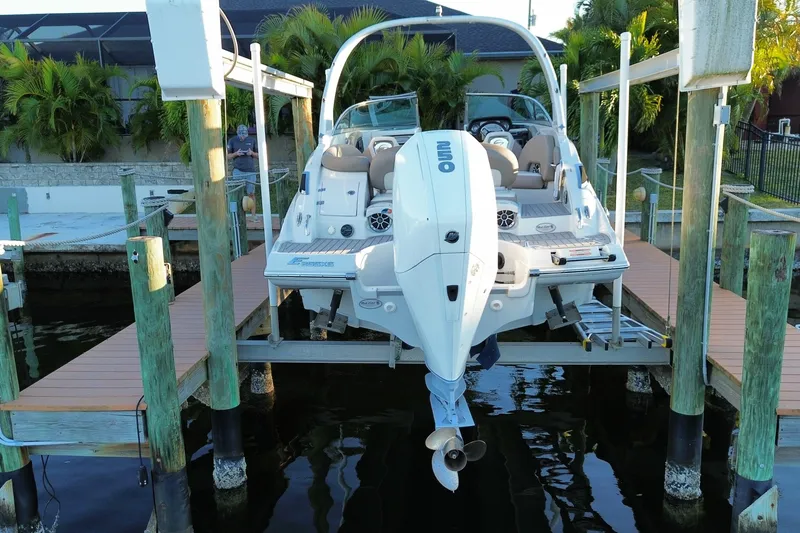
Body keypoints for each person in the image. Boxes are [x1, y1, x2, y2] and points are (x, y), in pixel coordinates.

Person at [226, 124, 258, 215]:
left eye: (244, 135)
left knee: (251, 193)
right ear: (237, 133)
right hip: (238, 170)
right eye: (241, 135)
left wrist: (251, 153)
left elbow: (259, 155)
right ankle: (237, 215)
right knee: (236, 193)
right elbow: (227, 156)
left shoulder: (252, 140)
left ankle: (253, 215)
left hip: (250, 171)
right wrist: (236, 154)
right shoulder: (232, 141)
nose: (243, 137)